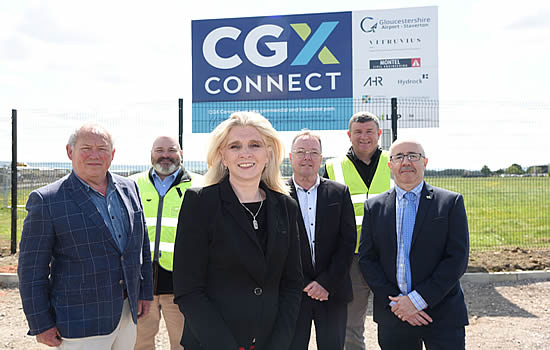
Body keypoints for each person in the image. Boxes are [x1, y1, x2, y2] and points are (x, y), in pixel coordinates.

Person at [172, 112, 303, 350]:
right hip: (212, 343)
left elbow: (292, 285)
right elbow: (188, 289)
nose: (245, 153)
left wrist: (278, 344)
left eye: (255, 145)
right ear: (222, 155)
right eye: (235, 146)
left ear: (268, 153)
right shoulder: (200, 203)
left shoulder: (286, 207)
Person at [18, 123, 154, 349]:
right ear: (70, 152)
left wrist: (145, 292)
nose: (94, 155)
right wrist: (40, 323)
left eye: (102, 148)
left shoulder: (129, 188)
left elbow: (141, 246)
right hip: (79, 323)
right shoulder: (47, 201)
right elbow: (32, 270)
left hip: (127, 315)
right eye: (86, 148)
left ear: (112, 154)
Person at [358, 139, 469, 349]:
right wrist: (399, 304)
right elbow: (367, 259)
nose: (406, 161)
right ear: (390, 165)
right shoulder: (374, 207)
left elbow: (457, 259)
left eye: (413, 156)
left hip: (441, 314)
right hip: (394, 315)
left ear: (425, 162)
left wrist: (417, 301)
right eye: (398, 157)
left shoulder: (450, 203)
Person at [322, 111, 392, 350]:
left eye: (369, 131)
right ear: (349, 135)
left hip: (390, 256)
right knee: (351, 325)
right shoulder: (332, 167)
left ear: (379, 134)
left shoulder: (395, 162)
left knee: (396, 320)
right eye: (358, 132)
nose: (364, 137)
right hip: (351, 257)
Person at [287, 130, 356, 350]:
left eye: (313, 152)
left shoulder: (339, 192)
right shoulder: (276, 195)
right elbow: (276, 247)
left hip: (332, 292)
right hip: (294, 293)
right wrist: (305, 283)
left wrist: (326, 282)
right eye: (301, 152)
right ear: (291, 157)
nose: (307, 157)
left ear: (320, 157)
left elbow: (347, 242)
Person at [132, 136, 202, 350]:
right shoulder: (132, 185)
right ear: (151, 154)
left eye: (171, 150)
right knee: (139, 344)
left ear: (181, 154)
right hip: (141, 284)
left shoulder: (201, 186)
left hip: (181, 284)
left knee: (184, 343)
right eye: (159, 150)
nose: (165, 155)